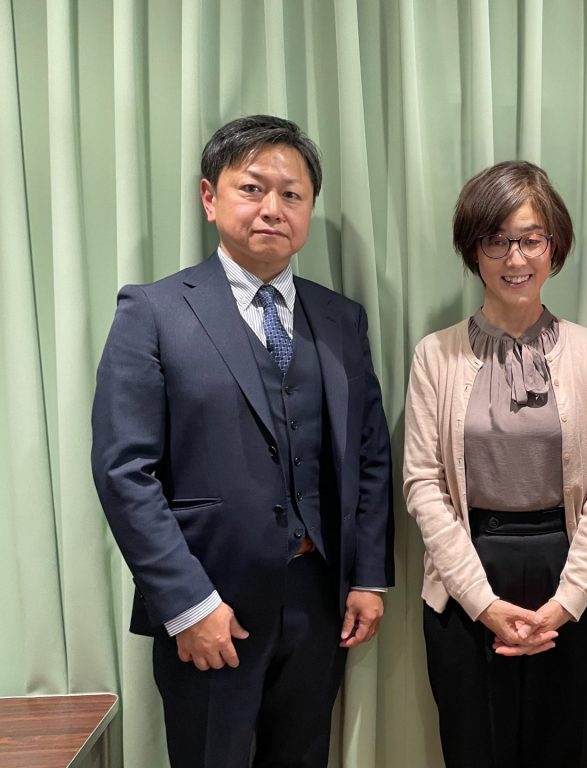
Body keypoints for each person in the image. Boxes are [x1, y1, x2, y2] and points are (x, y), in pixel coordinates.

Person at [91, 115, 393, 768]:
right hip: (209, 603)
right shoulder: (153, 311)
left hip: (319, 600)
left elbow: (370, 455)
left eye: (292, 194)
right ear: (210, 198)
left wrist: (368, 577)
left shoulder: (341, 318)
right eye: (252, 188)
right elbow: (124, 472)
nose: (272, 208)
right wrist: (187, 605)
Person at [403, 161, 587, 768]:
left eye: (531, 239)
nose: (515, 258)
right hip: (466, 577)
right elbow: (423, 485)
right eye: (495, 240)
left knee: (565, 751)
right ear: (473, 250)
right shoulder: (435, 355)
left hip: (574, 576)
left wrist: (567, 601)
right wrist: (482, 602)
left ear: (555, 245)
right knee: (474, 751)